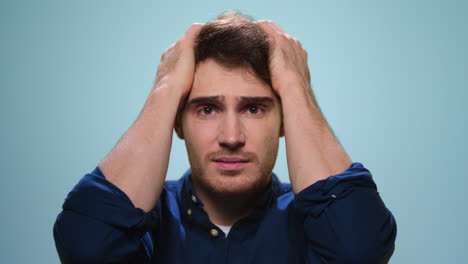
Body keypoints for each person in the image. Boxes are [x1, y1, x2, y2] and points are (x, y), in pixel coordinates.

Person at [53, 12, 397, 263]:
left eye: (253, 108)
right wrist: (167, 88)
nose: (231, 137)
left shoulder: (314, 224)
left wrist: (294, 85)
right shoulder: (144, 220)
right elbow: (87, 249)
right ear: (176, 122)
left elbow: (361, 250)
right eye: (206, 109)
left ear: (284, 121)